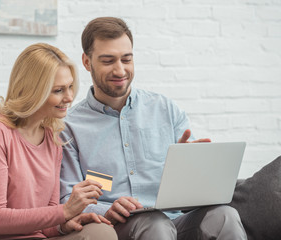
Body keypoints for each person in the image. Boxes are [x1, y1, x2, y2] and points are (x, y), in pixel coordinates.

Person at [59, 17, 247, 240]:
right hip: (120, 225)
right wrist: (105, 209)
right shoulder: (70, 126)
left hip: (175, 219)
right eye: (108, 61)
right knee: (154, 223)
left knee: (225, 215)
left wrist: (194, 168)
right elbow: (67, 199)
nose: (120, 70)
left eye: (126, 59)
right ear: (87, 62)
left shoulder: (165, 109)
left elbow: (192, 192)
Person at [0, 43, 118, 240]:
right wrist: (64, 211)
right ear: (33, 90)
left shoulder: (52, 139)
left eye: (70, 87)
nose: (69, 97)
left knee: (101, 232)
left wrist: (63, 226)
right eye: (58, 90)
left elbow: (45, 222)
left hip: (33, 236)